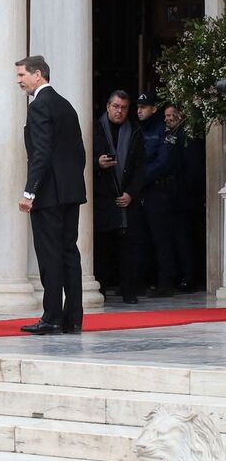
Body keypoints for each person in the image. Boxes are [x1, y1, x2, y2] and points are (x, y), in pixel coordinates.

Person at [16, 56, 87, 335]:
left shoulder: (39, 106)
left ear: (38, 74)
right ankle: (74, 318)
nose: (19, 80)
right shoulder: (66, 105)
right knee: (69, 252)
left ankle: (52, 317)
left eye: (22, 75)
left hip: (48, 193)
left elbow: (41, 153)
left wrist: (29, 191)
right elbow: (79, 152)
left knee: (50, 256)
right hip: (70, 192)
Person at [93, 90, 146, 304]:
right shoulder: (95, 129)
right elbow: (83, 158)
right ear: (107, 107)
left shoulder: (134, 131)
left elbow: (141, 167)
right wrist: (99, 164)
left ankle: (129, 291)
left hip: (126, 197)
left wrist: (131, 193)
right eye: (115, 106)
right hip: (103, 197)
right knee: (102, 247)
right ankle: (101, 289)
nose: (119, 111)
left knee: (128, 248)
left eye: (123, 108)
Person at [136, 92, 179, 297]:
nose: (139, 110)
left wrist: (139, 178)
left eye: (144, 107)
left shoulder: (163, 130)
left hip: (157, 190)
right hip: (142, 191)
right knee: (142, 238)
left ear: (154, 109)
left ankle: (165, 282)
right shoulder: (138, 129)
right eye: (138, 107)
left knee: (161, 238)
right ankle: (143, 280)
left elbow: (163, 162)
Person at [164, 103, 204, 292]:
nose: (168, 119)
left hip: (185, 198)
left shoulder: (187, 135)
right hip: (176, 197)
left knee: (186, 240)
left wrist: (182, 190)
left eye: (171, 115)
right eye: (166, 116)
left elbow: (192, 168)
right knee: (177, 239)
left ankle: (189, 277)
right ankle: (183, 275)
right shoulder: (172, 134)